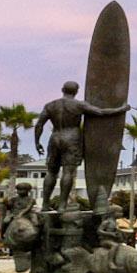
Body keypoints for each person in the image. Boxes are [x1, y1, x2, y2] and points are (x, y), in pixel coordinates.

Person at [33, 81, 128, 211]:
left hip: (55, 138)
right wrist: (120, 109)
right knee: (68, 172)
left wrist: (37, 142)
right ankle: (62, 205)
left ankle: (45, 205)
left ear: (62, 89)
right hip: (72, 138)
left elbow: (39, 125)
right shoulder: (79, 105)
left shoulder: (51, 105)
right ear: (76, 91)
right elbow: (100, 112)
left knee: (51, 172)